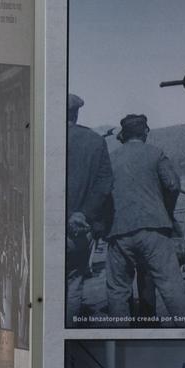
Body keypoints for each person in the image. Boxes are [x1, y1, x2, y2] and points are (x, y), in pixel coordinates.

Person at [104, 114, 185, 320]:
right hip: (154, 230)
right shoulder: (156, 153)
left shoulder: (111, 159)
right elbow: (173, 185)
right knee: (172, 289)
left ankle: (117, 340)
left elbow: (103, 193)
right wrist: (165, 212)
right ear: (146, 132)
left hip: (118, 233)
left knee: (117, 292)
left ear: (123, 135)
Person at [65, 93, 112, 321]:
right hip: (80, 231)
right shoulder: (95, 141)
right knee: (74, 284)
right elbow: (104, 185)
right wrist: (82, 215)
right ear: (76, 113)